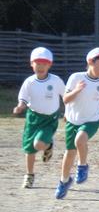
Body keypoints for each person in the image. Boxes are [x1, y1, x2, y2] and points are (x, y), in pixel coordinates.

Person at [55, 47, 99, 199]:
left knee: (80, 139)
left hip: (92, 120)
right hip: (72, 121)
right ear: (90, 61)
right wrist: (76, 90)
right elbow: (65, 99)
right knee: (70, 153)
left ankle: (82, 166)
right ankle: (64, 181)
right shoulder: (76, 77)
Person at [12, 47, 65, 188]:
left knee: (38, 145)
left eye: (44, 63)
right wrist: (20, 106)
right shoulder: (29, 81)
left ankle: (48, 144)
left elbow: (66, 96)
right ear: (31, 64)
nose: (40, 66)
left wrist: (68, 112)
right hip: (33, 117)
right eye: (37, 63)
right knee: (29, 148)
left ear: (49, 65)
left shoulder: (55, 80)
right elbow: (23, 98)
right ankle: (29, 175)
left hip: (49, 119)